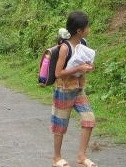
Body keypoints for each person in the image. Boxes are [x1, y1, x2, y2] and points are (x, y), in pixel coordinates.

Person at [51, 11, 96, 167]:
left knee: (89, 119)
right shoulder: (65, 48)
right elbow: (58, 73)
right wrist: (78, 68)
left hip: (78, 89)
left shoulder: (83, 43)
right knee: (60, 125)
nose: (89, 29)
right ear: (79, 30)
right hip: (63, 90)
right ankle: (57, 158)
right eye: (87, 27)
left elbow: (84, 64)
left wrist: (87, 67)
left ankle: (81, 156)